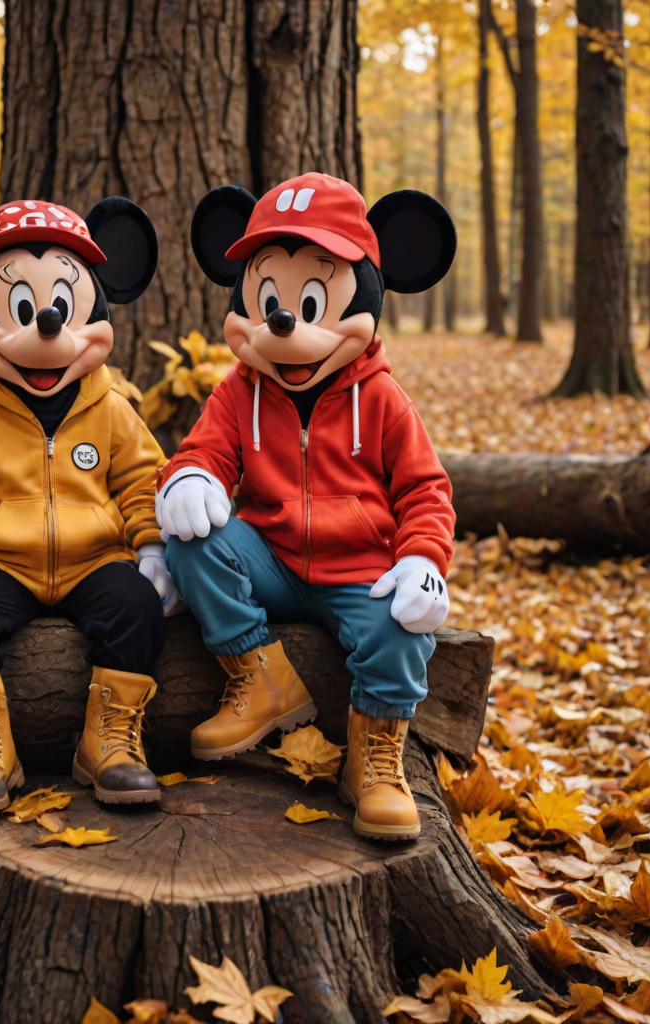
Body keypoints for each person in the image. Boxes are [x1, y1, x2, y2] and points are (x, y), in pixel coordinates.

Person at [158, 174, 457, 841]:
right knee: (194, 543)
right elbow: (203, 452)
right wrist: (191, 480)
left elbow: (424, 491)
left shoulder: (381, 399)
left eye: (314, 299)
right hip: (271, 559)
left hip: (360, 570)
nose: (287, 323)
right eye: (269, 299)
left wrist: (421, 560)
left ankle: (376, 754)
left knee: (400, 627)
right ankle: (259, 676)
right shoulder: (238, 393)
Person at [0, 197, 179, 815]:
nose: (45, 324)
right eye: (21, 307)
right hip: (2, 562)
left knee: (137, 606)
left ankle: (111, 743)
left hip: (94, 559)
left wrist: (152, 546)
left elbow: (141, 481)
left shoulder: (111, 408)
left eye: (62, 306)